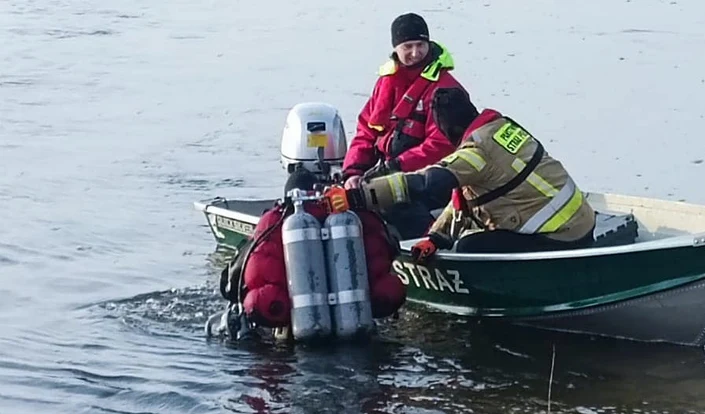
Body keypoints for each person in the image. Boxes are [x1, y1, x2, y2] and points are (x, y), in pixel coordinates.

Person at [350, 87, 597, 255]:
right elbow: (463, 200)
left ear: (449, 129)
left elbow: (426, 183)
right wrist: (437, 238)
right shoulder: (501, 127)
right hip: (582, 221)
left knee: (470, 247)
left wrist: (359, 196)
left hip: (559, 237)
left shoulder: (475, 153)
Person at [214, 168, 406, 339]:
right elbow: (386, 249)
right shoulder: (354, 218)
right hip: (354, 322)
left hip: (297, 327)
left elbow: (238, 276)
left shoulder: (274, 221)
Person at [340, 13, 467, 238]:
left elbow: (441, 145)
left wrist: (396, 168)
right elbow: (366, 131)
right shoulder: (387, 82)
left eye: (421, 45)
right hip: (388, 170)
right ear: (396, 48)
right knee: (350, 199)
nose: (415, 53)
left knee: (395, 203)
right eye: (408, 46)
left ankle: (428, 244)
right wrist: (354, 172)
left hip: (431, 178)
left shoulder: (445, 89)